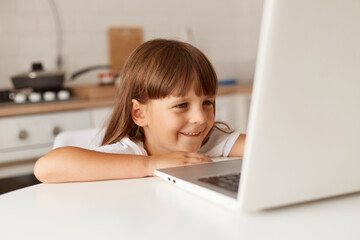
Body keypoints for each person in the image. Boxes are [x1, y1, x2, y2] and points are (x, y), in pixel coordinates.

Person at [34, 39, 246, 183]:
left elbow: (266, 148)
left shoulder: (209, 140)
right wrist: (151, 164)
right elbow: (46, 167)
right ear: (139, 113)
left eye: (207, 103)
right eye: (181, 105)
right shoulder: (132, 153)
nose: (200, 118)